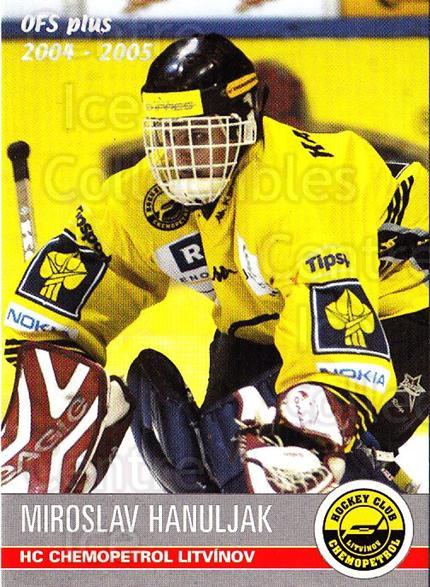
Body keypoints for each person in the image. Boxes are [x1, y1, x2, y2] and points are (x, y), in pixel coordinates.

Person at [2, 34, 428, 494]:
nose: (182, 158)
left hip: (401, 309)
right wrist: (51, 367)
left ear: (246, 121)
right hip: (269, 322)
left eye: (200, 135)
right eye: (170, 138)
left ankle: (370, 497)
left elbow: (340, 325)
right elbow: (85, 266)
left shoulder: (300, 189)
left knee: (269, 460)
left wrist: (311, 429)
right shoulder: (144, 197)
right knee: (200, 458)